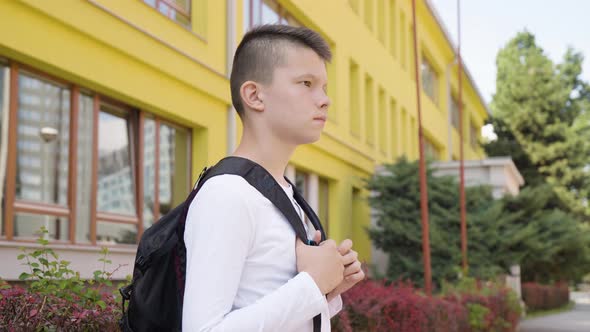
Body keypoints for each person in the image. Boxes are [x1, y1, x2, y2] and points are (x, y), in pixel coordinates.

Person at [182, 24, 365, 331]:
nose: (324, 100)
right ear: (255, 95)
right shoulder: (228, 195)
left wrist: (328, 288)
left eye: (324, 88)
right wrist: (311, 283)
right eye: (306, 83)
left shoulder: (285, 194)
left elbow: (273, 308)